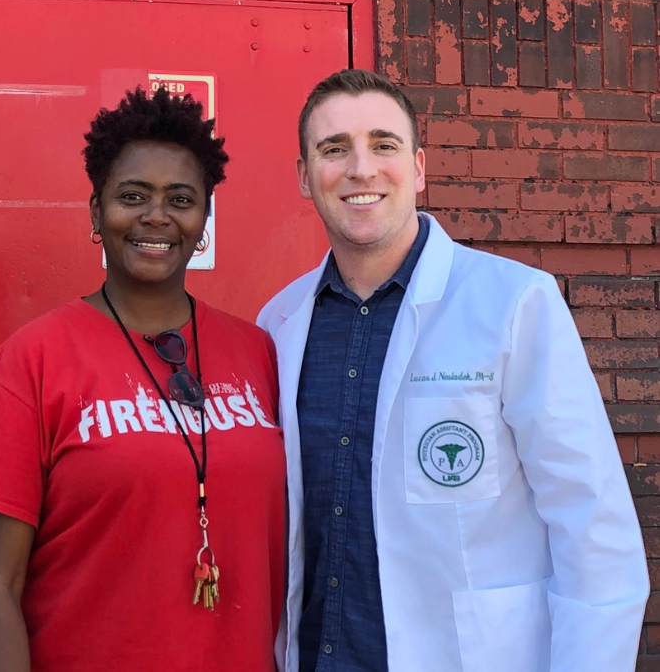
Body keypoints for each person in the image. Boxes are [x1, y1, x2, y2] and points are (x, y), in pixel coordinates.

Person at [257, 69, 649, 672]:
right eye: (334, 149)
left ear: (417, 168)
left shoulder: (514, 302)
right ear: (305, 177)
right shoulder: (280, 322)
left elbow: (592, 523)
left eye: (383, 144)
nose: (361, 169)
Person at [0, 86, 286, 672]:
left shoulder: (257, 352)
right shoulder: (32, 361)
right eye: (132, 196)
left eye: (181, 199)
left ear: (203, 219)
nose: (157, 216)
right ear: (96, 212)